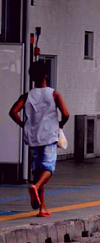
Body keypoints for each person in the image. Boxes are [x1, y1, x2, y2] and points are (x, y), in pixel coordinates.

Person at [8, 61, 69, 217]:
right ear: (45, 76)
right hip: (49, 137)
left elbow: (13, 112)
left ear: (32, 77)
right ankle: (36, 187)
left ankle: (42, 208)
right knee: (48, 169)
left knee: (38, 172)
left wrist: (24, 125)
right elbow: (66, 114)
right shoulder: (54, 94)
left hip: (33, 138)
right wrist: (60, 125)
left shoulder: (27, 95)